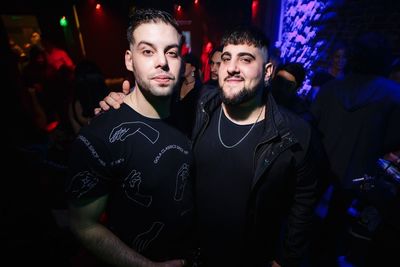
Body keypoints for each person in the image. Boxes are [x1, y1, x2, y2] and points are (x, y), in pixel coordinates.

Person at [101, 25, 321, 267]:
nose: (232, 67)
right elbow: (151, 118)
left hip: (251, 257)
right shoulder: (198, 106)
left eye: (245, 59)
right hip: (191, 253)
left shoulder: (295, 132)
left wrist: (286, 258)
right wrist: (123, 105)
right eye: (227, 58)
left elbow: (305, 198)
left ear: (268, 71)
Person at [66, 8, 197, 267]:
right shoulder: (99, 136)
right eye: (148, 51)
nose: (163, 61)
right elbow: (83, 225)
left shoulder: (192, 116)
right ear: (129, 59)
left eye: (171, 52)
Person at [309, 32, 400, 267]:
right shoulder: (393, 94)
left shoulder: (329, 90)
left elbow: (312, 130)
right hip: (363, 183)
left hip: (321, 178)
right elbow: (391, 143)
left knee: (312, 240)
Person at [171, 52, 203, 137]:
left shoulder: (199, 88)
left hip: (189, 135)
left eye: (184, 64)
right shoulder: (177, 84)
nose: (181, 66)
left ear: (193, 68)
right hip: (173, 130)